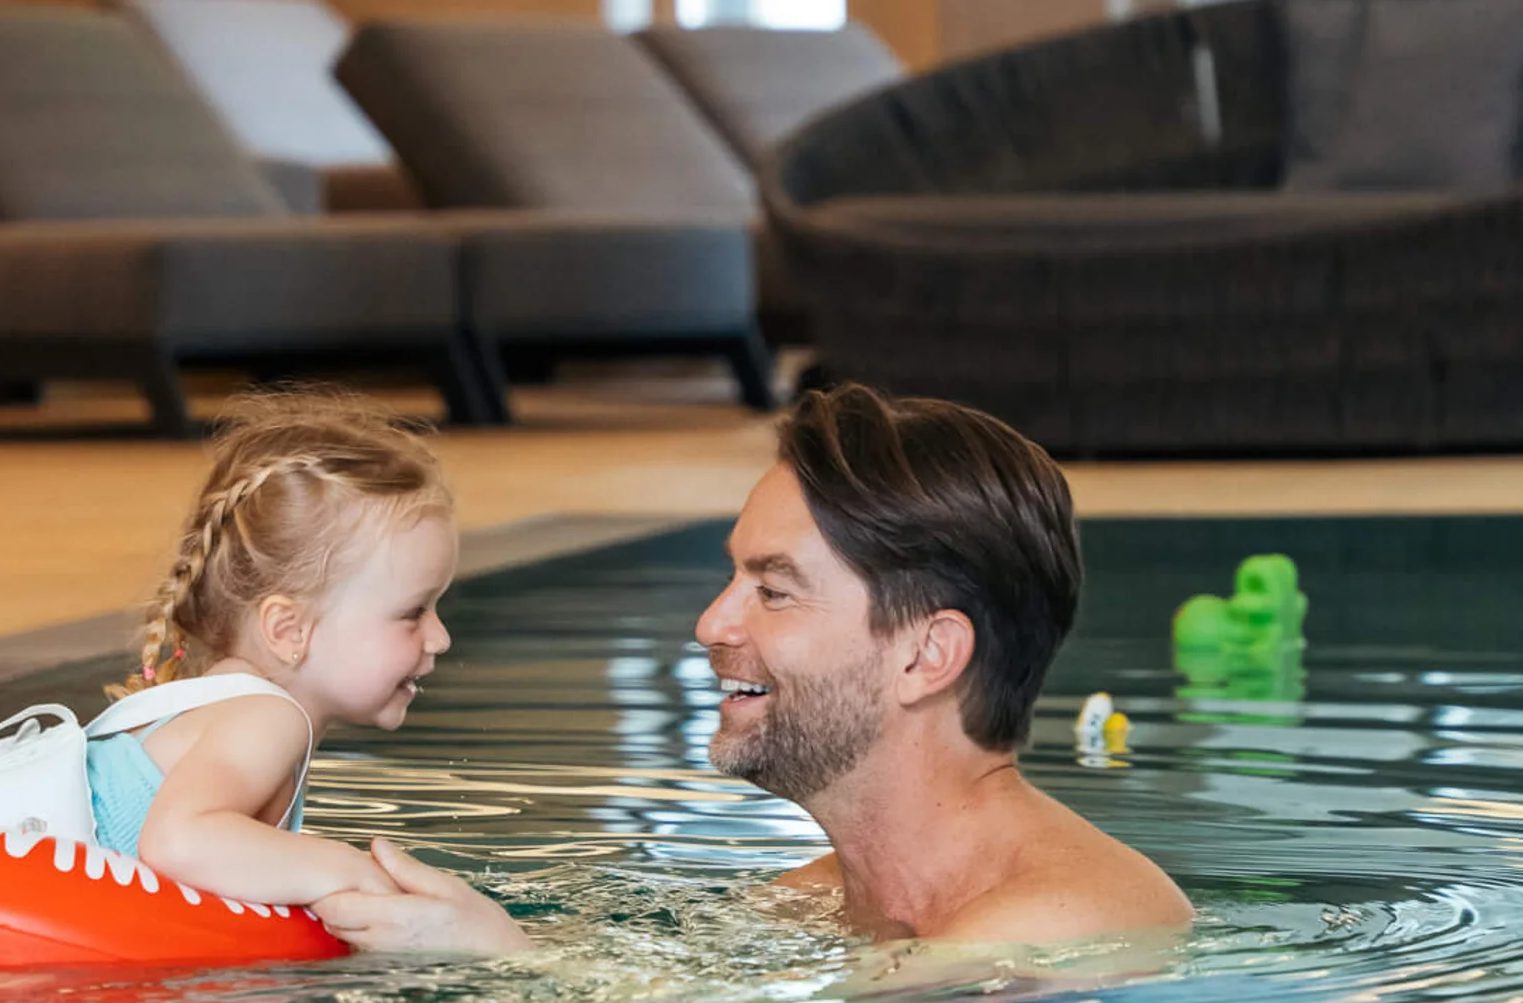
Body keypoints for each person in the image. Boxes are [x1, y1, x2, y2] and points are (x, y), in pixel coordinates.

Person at [317, 384, 1191, 954]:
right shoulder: (814, 901)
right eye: (734, 578)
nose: (711, 624)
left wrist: (501, 957)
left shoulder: (1059, 924)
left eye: (773, 591)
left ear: (926, 655)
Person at [91, 390, 456, 908]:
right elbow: (176, 843)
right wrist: (355, 873)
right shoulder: (267, 717)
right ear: (289, 631)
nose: (441, 638)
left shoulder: (222, 703)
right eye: (413, 612)